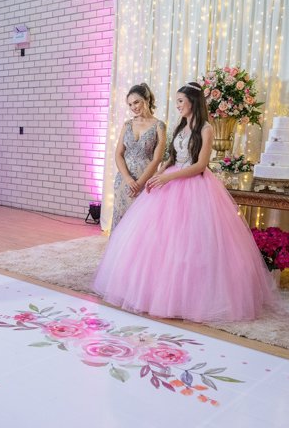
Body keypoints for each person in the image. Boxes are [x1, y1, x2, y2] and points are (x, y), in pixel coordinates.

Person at [92, 82, 279, 322]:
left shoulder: (206, 128)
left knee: (191, 242)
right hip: (170, 179)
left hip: (193, 184)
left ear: (193, 101)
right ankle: (153, 290)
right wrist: (161, 173)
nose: (178, 105)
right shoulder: (180, 125)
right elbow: (171, 157)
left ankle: (190, 297)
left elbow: (200, 166)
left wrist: (169, 177)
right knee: (159, 239)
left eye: (181, 101)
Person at [111, 83, 166, 232]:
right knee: (121, 221)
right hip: (124, 181)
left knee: (141, 225)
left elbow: (157, 159)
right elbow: (118, 154)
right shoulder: (127, 124)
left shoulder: (159, 125)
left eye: (136, 102)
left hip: (146, 181)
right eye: (130, 104)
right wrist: (127, 178)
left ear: (147, 99)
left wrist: (140, 183)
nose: (133, 107)